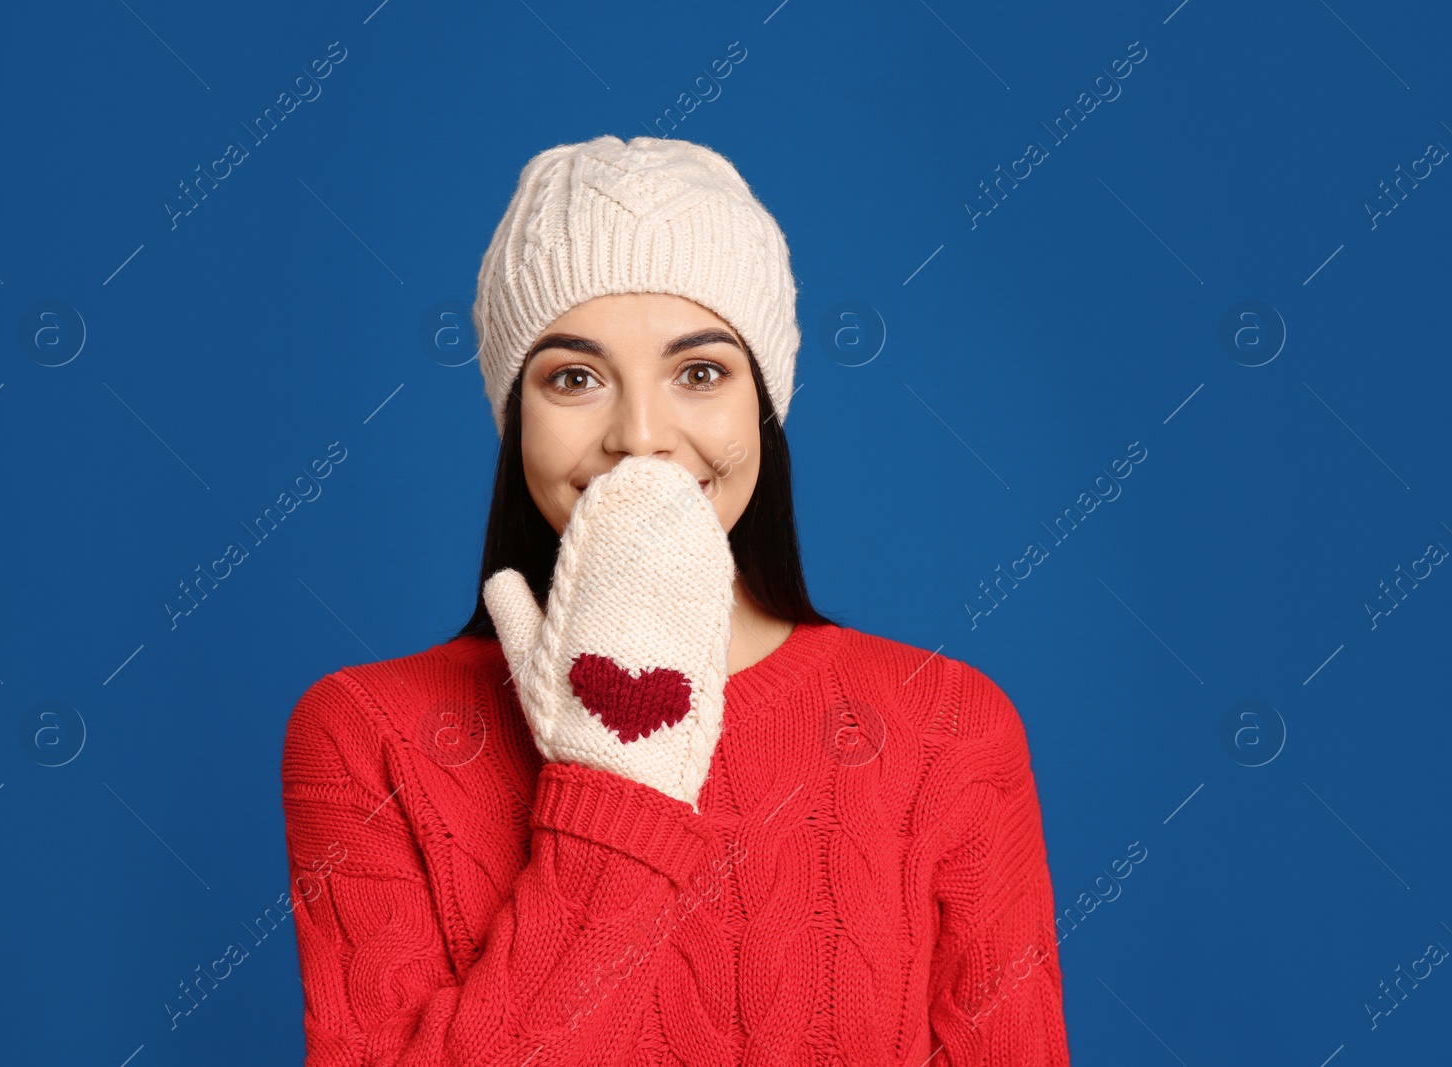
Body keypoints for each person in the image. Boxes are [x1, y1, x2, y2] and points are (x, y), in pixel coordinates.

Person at [281, 134, 1070, 1065]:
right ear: (515, 416)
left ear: (762, 409)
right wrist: (617, 785)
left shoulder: (949, 728)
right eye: (574, 377)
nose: (641, 436)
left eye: (700, 372)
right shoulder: (366, 735)